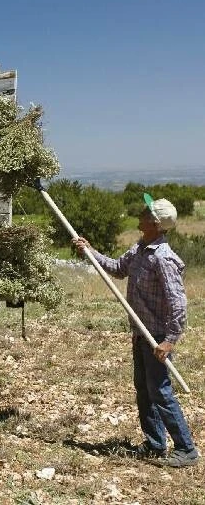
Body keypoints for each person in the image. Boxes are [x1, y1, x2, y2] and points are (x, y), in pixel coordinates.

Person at [73, 194, 199, 468]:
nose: (141, 213)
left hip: (156, 337)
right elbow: (118, 269)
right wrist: (90, 252)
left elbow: (178, 303)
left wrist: (169, 340)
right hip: (141, 333)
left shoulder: (163, 258)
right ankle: (155, 443)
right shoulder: (140, 248)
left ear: (156, 223)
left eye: (146, 211)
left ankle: (186, 449)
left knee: (161, 392)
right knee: (144, 390)